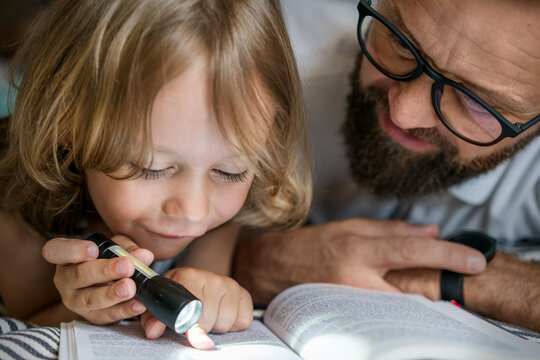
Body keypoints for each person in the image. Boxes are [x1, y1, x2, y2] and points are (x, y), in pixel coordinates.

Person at [186, 0, 540, 332]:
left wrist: (457, 279)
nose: (403, 112)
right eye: (402, 43)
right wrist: (253, 258)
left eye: (475, 102)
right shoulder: (255, 75)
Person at [0, 0, 310, 349]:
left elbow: (209, 286)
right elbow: (26, 323)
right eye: (152, 168)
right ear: (69, 125)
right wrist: (85, 309)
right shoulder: (15, 208)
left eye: (230, 171)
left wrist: (216, 292)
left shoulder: (222, 218)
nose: (193, 211)